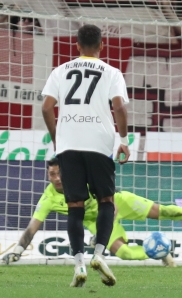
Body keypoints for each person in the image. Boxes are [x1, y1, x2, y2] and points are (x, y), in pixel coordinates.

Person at [2, 158, 182, 267]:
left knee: (164, 211)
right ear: (48, 176)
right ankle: (159, 253)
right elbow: (32, 227)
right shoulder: (48, 199)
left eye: (60, 172)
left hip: (118, 202)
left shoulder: (83, 181)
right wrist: (18, 250)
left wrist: (107, 216)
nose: (57, 178)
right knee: (124, 254)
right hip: (96, 222)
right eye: (52, 174)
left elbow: (109, 199)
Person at [41, 24, 130, 287]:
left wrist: (58, 138)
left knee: (74, 206)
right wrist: (123, 140)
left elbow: (46, 108)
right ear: (101, 45)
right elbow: (120, 108)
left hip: (68, 145)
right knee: (106, 200)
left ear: (77, 46)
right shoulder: (112, 72)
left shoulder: (60, 71)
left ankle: (78, 262)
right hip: (99, 142)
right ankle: (100, 254)